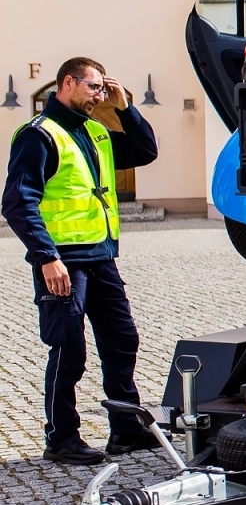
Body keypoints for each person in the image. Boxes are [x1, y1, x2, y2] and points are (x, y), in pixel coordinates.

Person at [2, 57, 160, 465]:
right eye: (94, 87)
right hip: (62, 262)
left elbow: (145, 150)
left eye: (103, 88)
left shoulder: (96, 133)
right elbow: (18, 201)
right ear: (68, 83)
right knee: (68, 349)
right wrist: (46, 257)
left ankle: (125, 430)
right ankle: (61, 438)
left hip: (101, 258)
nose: (99, 95)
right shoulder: (39, 135)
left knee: (122, 340)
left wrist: (126, 107)